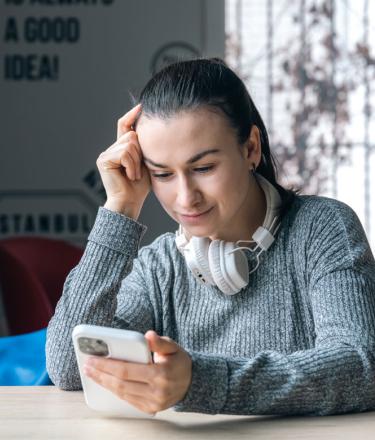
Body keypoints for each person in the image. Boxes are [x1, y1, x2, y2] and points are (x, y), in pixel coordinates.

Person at [46, 57, 375, 416]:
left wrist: (199, 382)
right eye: (163, 174)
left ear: (250, 148)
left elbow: (360, 364)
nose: (186, 198)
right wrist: (120, 209)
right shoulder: (161, 267)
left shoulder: (323, 229)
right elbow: (68, 367)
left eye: (203, 168)